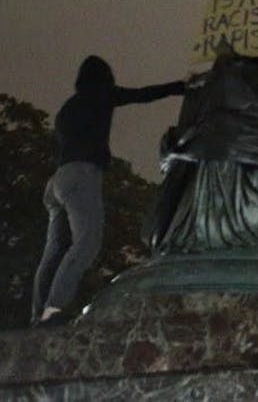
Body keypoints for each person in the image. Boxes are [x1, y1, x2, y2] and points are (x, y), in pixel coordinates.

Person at [32, 56, 185, 327]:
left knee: (54, 250)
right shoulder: (100, 95)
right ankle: (53, 312)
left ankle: (38, 312)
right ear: (104, 79)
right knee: (86, 243)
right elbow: (141, 95)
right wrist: (179, 87)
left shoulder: (67, 108)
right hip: (82, 174)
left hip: (57, 180)